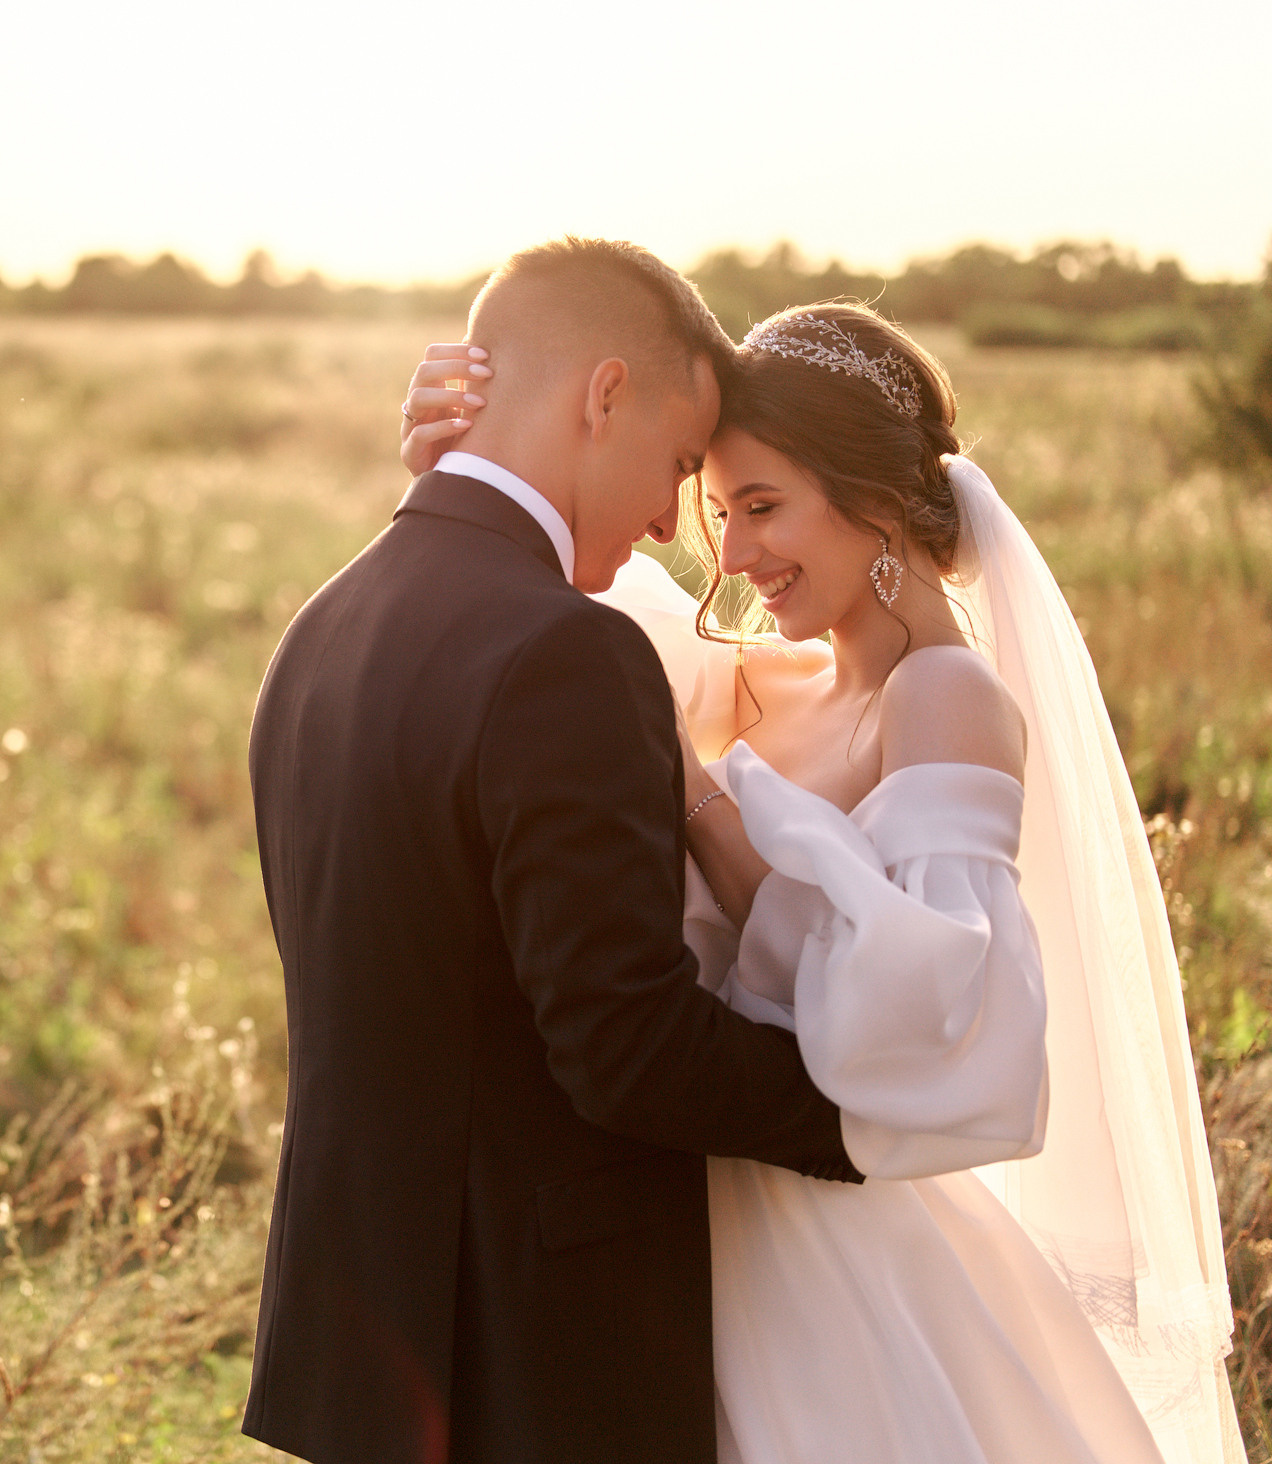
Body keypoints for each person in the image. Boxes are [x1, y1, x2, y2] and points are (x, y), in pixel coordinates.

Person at [400, 302, 1244, 1462]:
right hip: (688, 1218)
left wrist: (695, 802)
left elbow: (920, 1006)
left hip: (823, 1246)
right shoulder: (747, 674)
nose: (731, 557)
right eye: (715, 511)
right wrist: (460, 460)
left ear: (877, 504)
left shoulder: (944, 699)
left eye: (761, 508)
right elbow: (534, 603)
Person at [242, 238, 861, 1464]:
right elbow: (623, 1046)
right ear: (602, 394)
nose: (666, 522)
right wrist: (867, 1107)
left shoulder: (318, 628)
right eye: (680, 466)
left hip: (363, 1338)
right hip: (534, 1358)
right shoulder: (563, 655)